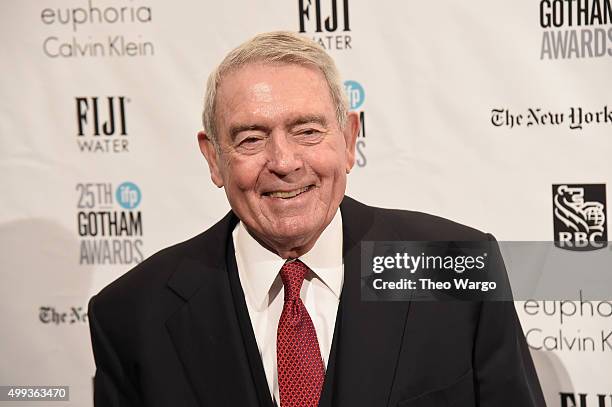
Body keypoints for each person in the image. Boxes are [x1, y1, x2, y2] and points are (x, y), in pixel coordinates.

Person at [88, 31, 546, 407]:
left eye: (307, 131)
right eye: (251, 138)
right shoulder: (132, 314)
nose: (284, 161)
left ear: (349, 141)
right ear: (214, 158)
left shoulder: (453, 268)